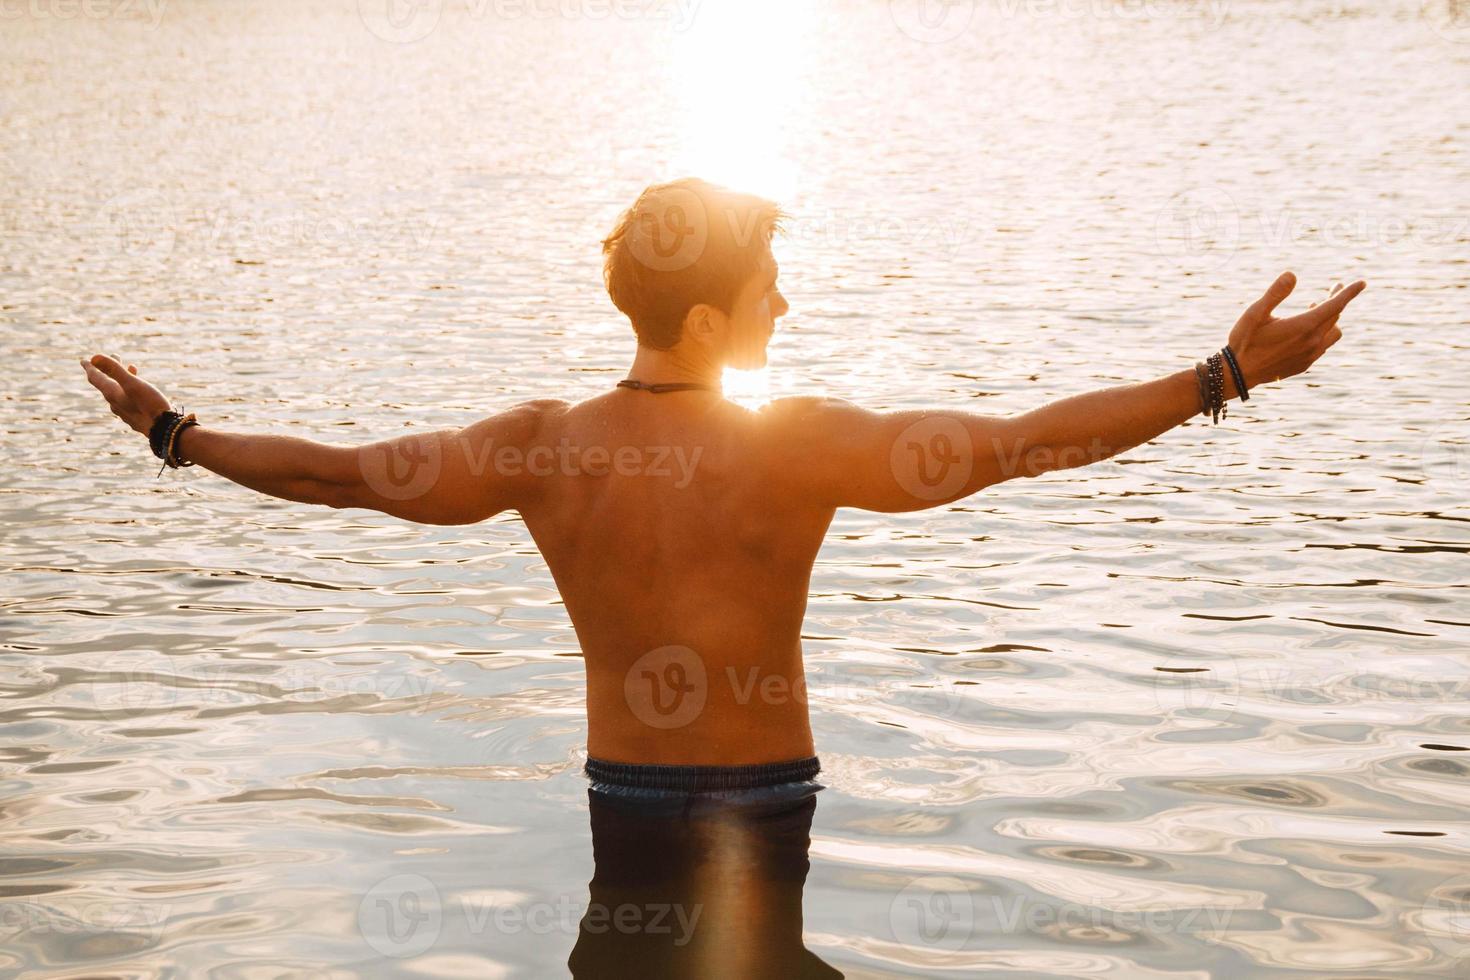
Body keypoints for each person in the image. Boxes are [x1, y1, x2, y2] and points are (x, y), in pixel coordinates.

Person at [80, 177, 1366, 802]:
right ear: (706, 313)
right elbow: (1027, 442)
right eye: (767, 293)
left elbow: (343, 476)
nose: (788, 305)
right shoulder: (797, 445)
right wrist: (1221, 376)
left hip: (620, 794)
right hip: (763, 798)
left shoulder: (541, 446)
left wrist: (175, 431)